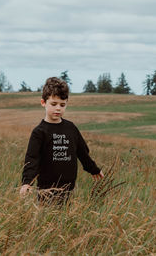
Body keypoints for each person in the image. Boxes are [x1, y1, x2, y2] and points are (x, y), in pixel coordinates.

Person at [20, 77, 104, 205]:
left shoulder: (71, 128)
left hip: (69, 189)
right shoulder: (39, 132)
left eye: (62, 105)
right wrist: (27, 182)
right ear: (43, 102)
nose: (58, 108)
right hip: (46, 190)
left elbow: (82, 152)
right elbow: (32, 159)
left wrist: (93, 169)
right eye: (54, 104)